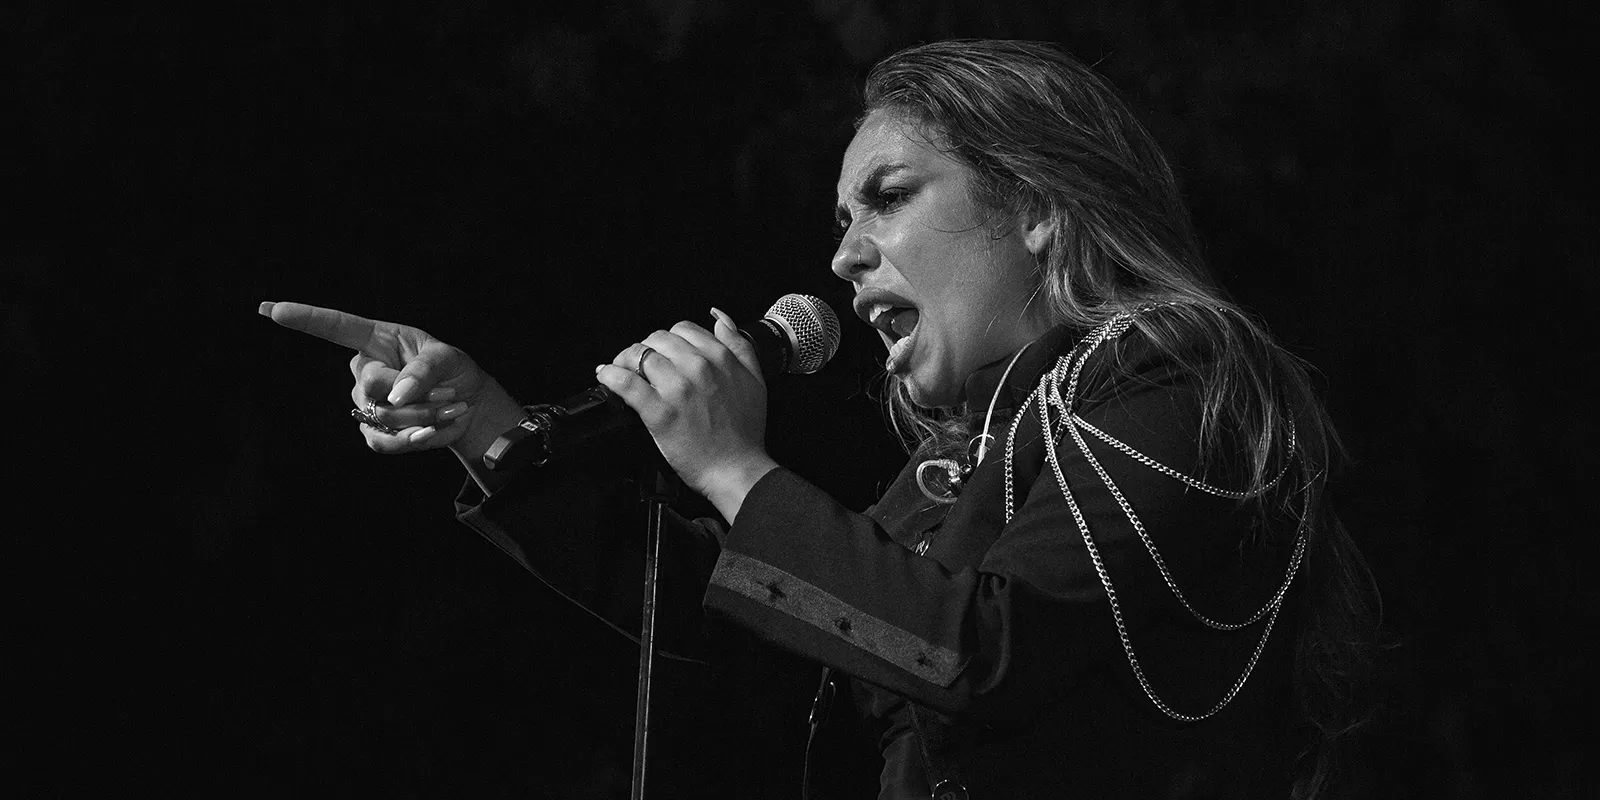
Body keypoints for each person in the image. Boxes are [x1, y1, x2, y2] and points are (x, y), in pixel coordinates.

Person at [264, 39, 1375, 799]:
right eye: (840, 221)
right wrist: (491, 427)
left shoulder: (1177, 378)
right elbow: (734, 608)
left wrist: (734, 464)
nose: (843, 258)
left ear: (1038, 208)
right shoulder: (971, 457)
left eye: (888, 198)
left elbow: (971, 647)